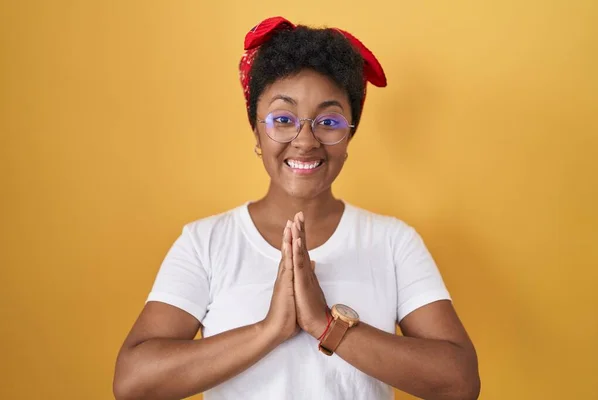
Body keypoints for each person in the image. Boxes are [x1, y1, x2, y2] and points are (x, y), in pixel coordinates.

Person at [113, 16, 480, 400]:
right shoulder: (205, 243)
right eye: (283, 119)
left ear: (350, 132)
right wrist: (270, 330)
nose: (305, 141)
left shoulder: (393, 242)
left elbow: (460, 382)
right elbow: (133, 381)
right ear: (256, 129)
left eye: (329, 121)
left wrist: (325, 325)